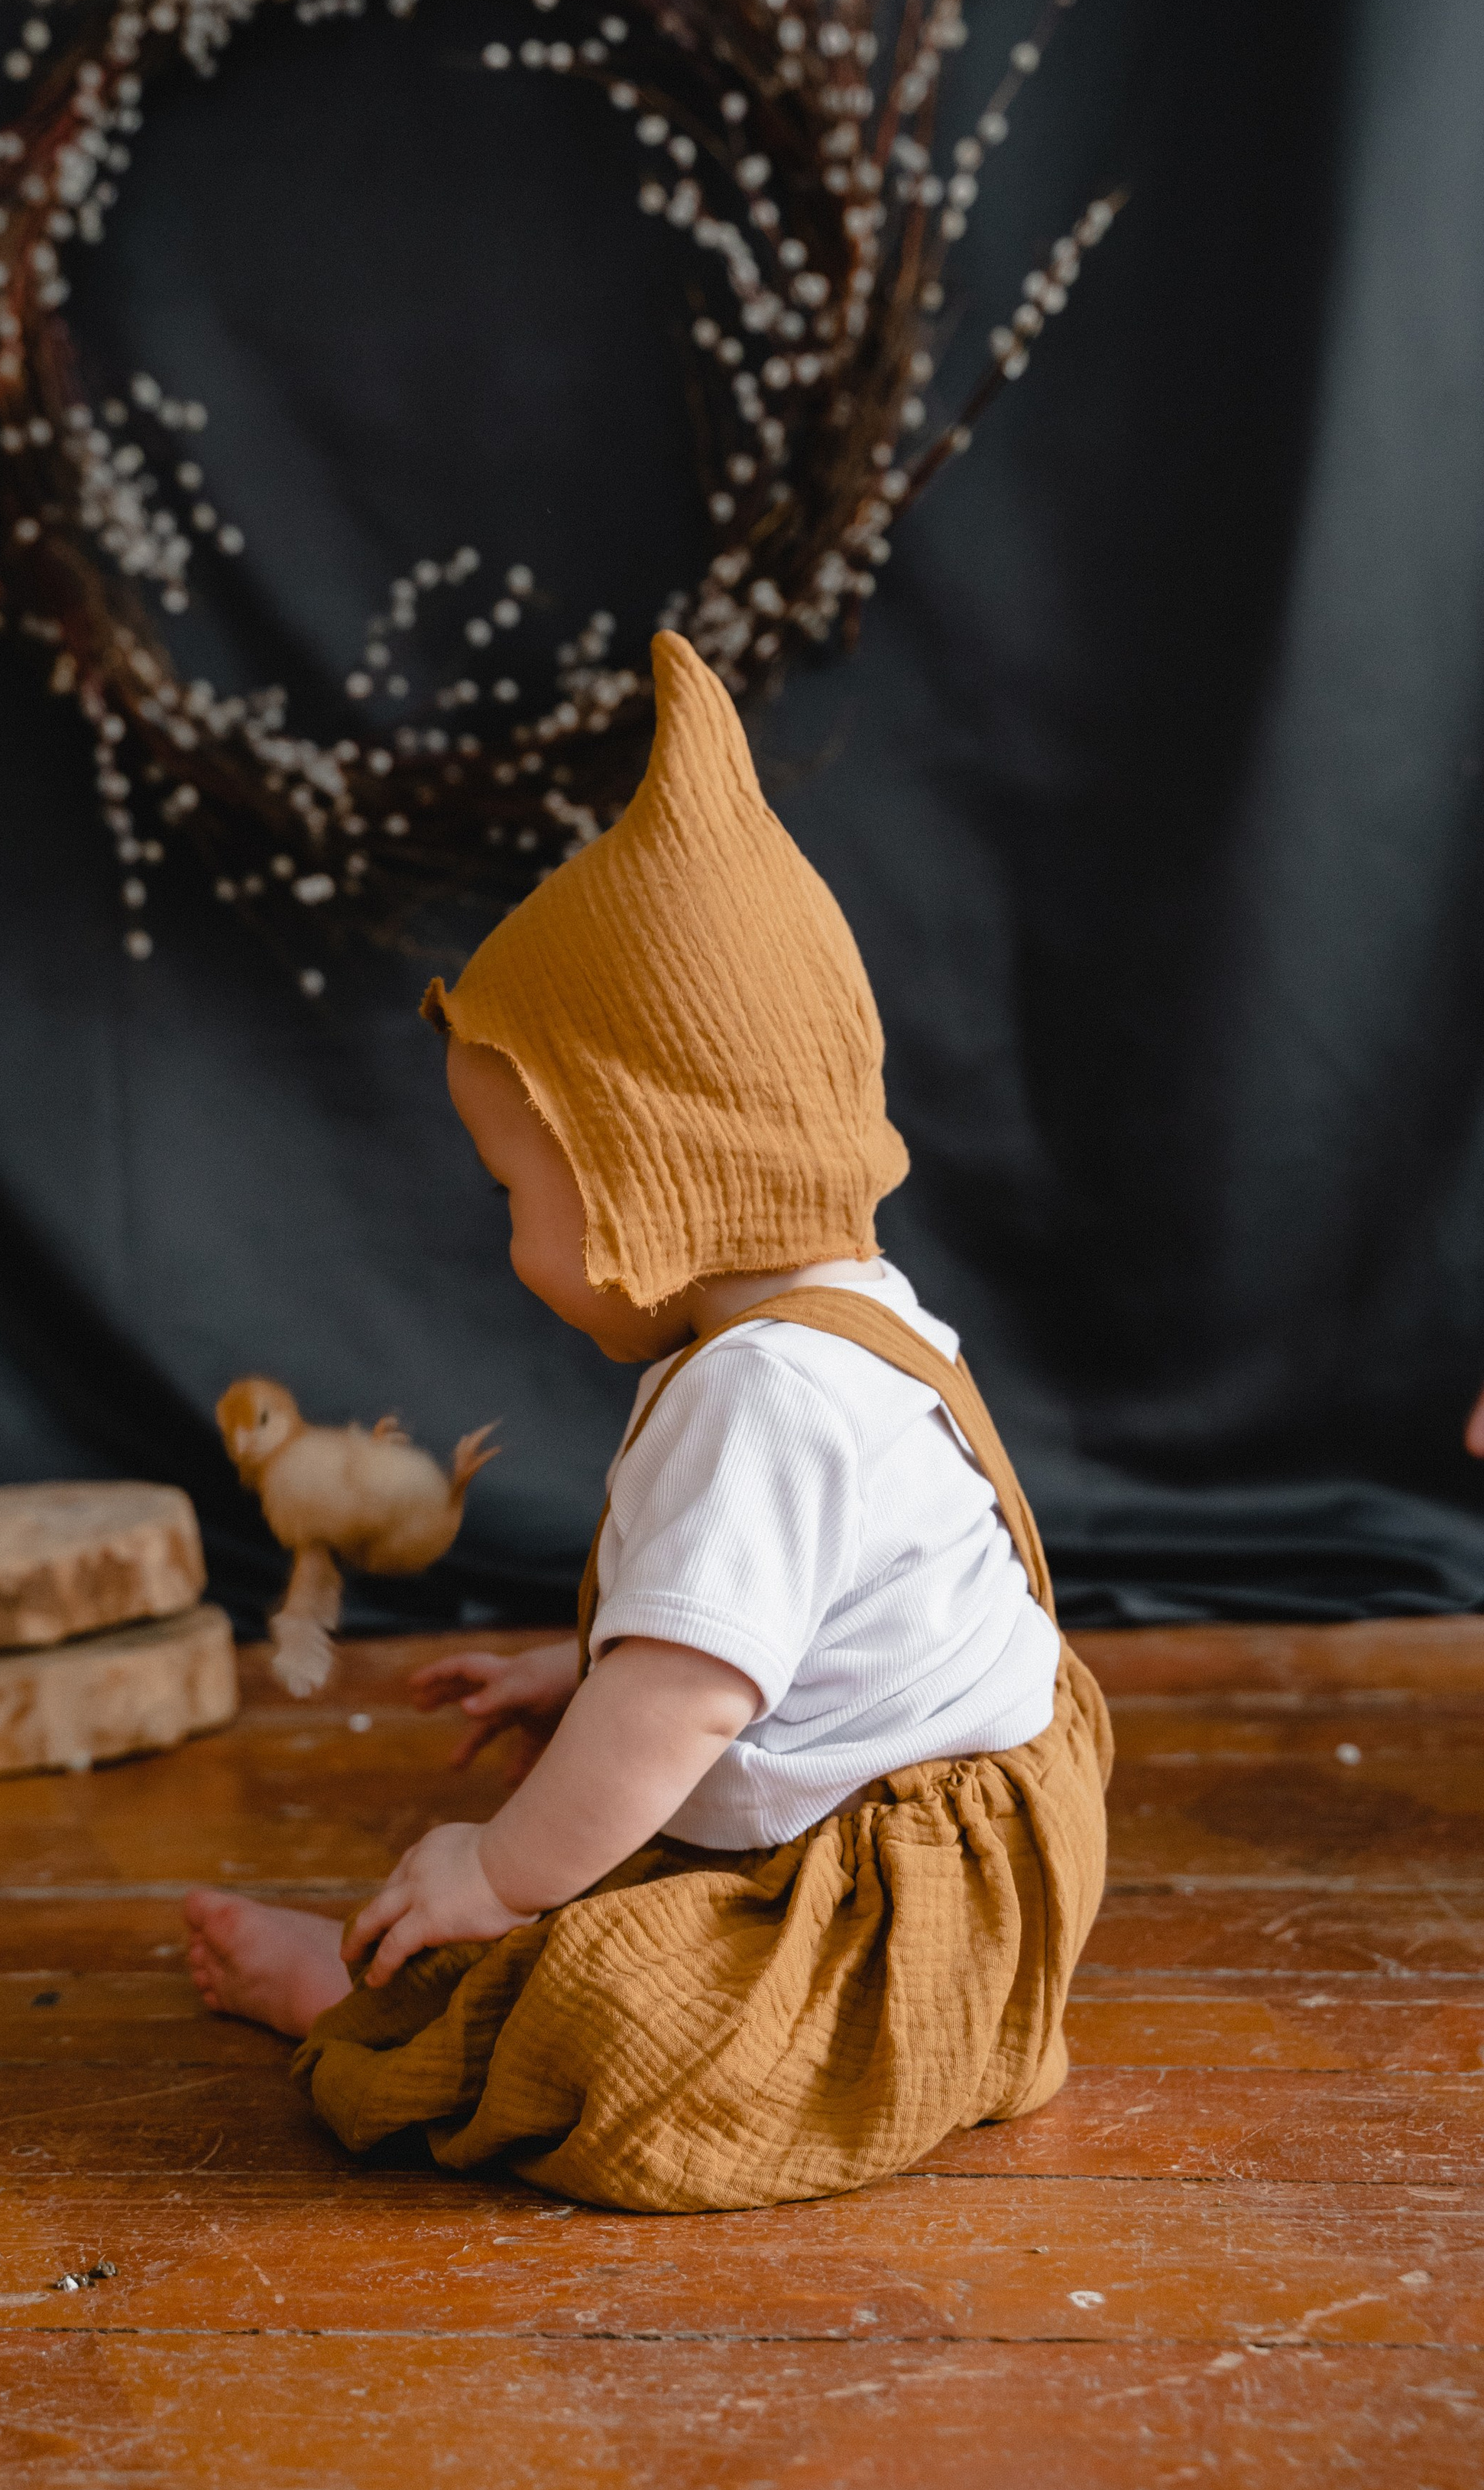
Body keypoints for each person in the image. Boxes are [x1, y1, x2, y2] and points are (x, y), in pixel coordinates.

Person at [184, 632, 1111, 2213]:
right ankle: (929, 2028)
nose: (503, 1239)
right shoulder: (858, 1313)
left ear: (640, 1172)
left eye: (511, 1191)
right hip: (1008, 1837)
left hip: (883, 1894)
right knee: (595, 1778)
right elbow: (782, 1616)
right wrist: (582, 1661)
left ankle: (359, 2006)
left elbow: (683, 1701)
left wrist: (491, 1866)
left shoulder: (755, 1391)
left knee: (608, 2009)